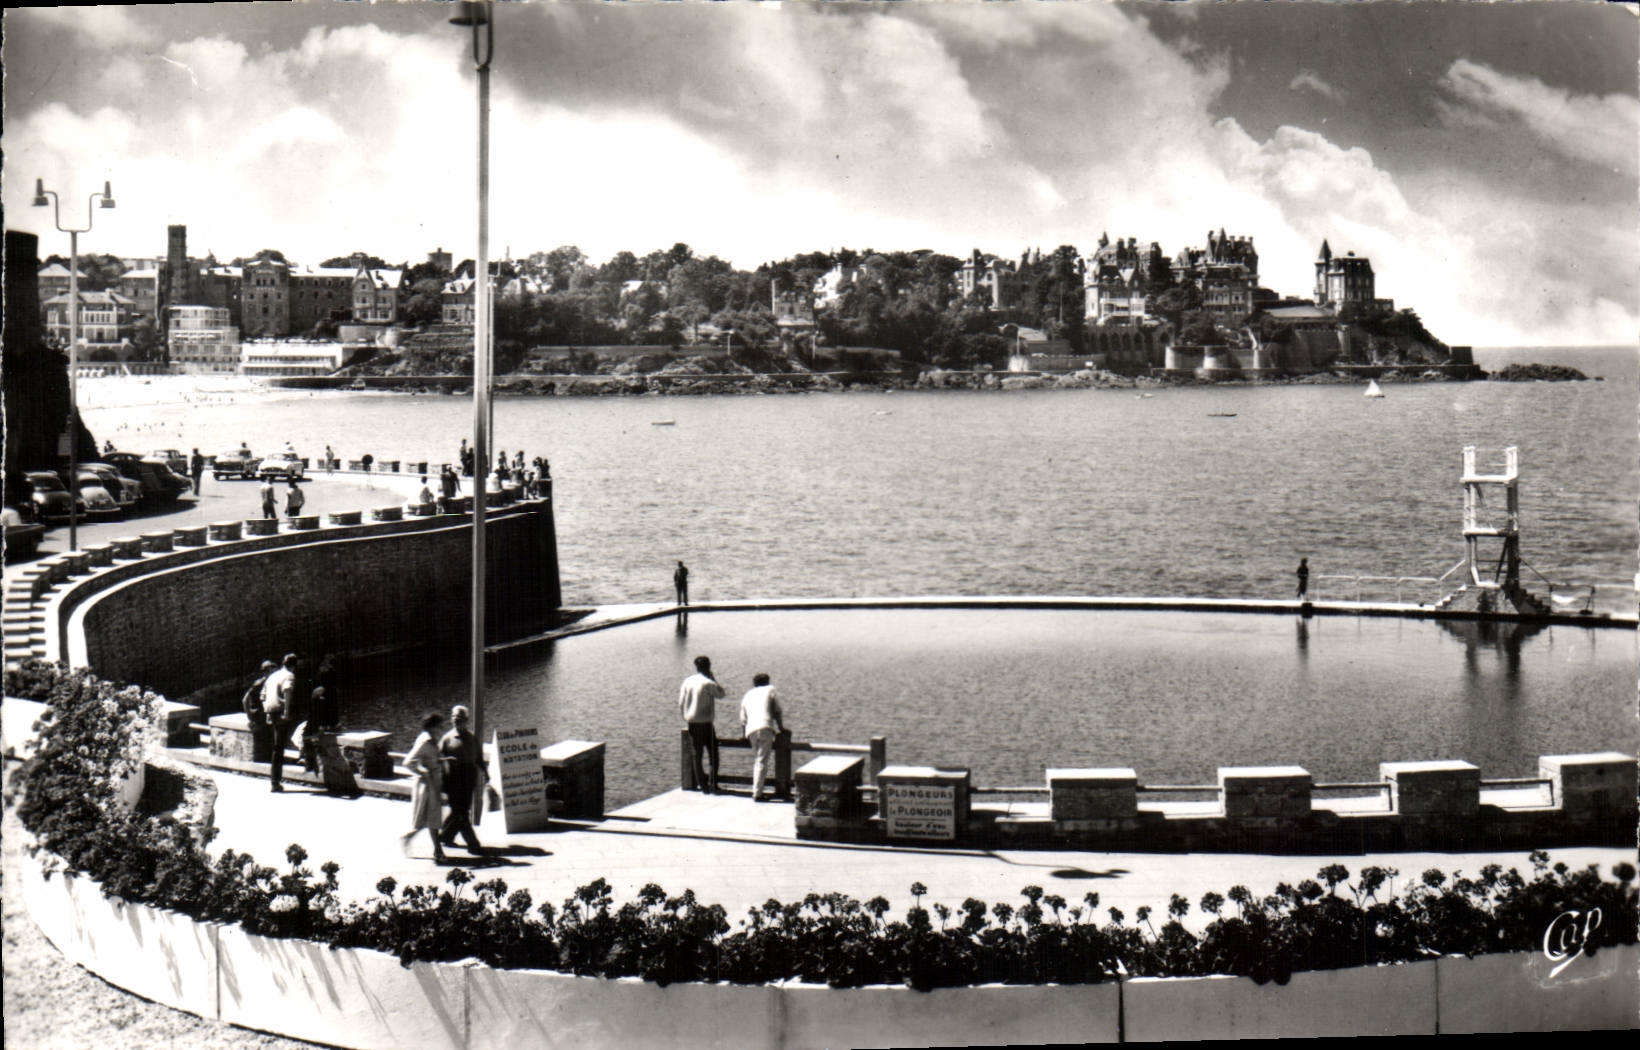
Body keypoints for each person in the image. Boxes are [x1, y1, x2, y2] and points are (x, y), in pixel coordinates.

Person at [400, 712, 447, 863]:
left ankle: (436, 849)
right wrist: (422, 772)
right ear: (432, 727)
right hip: (427, 785)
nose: (441, 729)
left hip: (433, 783)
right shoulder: (425, 741)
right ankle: (410, 839)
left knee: (432, 819)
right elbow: (407, 762)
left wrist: (442, 760)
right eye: (439, 726)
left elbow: (430, 757)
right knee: (428, 819)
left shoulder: (430, 739)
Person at [438, 705, 484, 853]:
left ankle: (445, 836)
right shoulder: (446, 739)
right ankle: (473, 843)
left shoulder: (472, 738)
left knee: (461, 810)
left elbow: (479, 758)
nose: (457, 721)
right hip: (453, 778)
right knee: (461, 812)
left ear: (467, 720)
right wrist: (447, 760)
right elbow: (437, 758)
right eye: (454, 718)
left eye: (460, 718)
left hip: (469, 777)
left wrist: (487, 774)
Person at [677, 655, 725, 792]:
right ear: (709, 667)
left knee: (697, 755)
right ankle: (713, 783)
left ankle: (702, 786)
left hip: (691, 722)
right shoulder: (708, 683)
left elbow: (681, 702)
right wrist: (713, 679)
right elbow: (721, 694)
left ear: (696, 666)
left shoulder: (687, 681)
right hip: (706, 722)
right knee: (713, 753)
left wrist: (686, 716)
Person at [739, 673, 786, 802]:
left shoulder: (748, 695)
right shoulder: (770, 689)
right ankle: (757, 794)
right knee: (761, 762)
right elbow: (777, 710)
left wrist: (743, 735)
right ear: (767, 681)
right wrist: (781, 728)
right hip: (765, 727)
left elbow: (743, 718)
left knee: (758, 760)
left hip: (751, 730)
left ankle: (757, 790)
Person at [261, 653, 300, 792]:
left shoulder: (273, 676)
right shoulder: (289, 676)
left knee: (277, 747)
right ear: (294, 666)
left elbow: (263, 695)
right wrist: (287, 712)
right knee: (279, 747)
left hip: (271, 712)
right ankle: (275, 782)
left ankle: (275, 781)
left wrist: (267, 713)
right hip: (281, 713)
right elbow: (287, 691)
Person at [241, 659, 277, 731]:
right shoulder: (262, 684)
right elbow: (245, 700)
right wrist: (250, 718)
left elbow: (245, 700)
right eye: (273, 670)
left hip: (262, 718)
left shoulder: (260, 683)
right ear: (269, 671)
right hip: (261, 719)